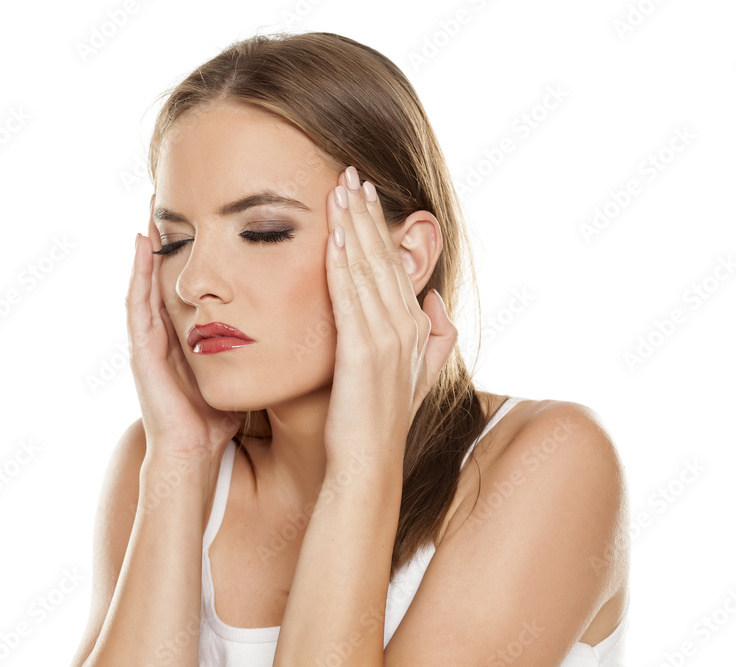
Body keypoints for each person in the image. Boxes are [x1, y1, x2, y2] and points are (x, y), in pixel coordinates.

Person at [72, 31, 629, 666]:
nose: (193, 283)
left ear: (405, 257)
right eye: (174, 241)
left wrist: (364, 460)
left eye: (262, 231)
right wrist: (178, 460)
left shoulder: (546, 462)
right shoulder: (157, 461)